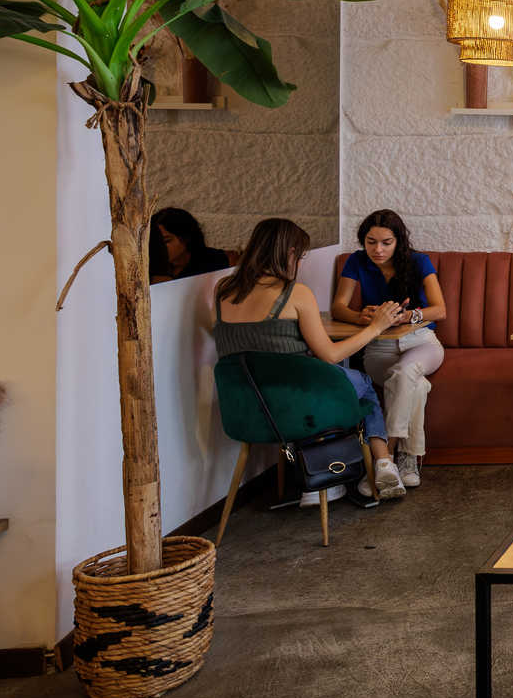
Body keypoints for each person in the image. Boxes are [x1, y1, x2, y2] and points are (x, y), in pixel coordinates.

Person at [212, 217, 409, 502]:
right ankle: (378, 464)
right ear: (290, 253)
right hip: (297, 407)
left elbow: (246, 344)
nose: (300, 264)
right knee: (361, 383)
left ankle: (322, 478)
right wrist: (376, 327)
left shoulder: (222, 289)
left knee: (325, 380)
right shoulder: (296, 294)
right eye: (301, 257)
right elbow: (330, 354)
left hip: (246, 410)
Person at [330, 209, 446, 489]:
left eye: (386, 243)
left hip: (420, 341)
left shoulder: (418, 262)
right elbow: (338, 307)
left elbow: (440, 309)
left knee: (405, 372)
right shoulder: (357, 261)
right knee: (415, 385)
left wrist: (409, 316)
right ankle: (409, 458)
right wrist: (362, 317)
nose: (378, 250)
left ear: (398, 241)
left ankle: (386, 458)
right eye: (371, 242)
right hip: (379, 345)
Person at [149, 207, 229, 283]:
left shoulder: (213, 261)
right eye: (155, 242)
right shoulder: (151, 267)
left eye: (166, 241)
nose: (159, 247)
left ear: (185, 238)